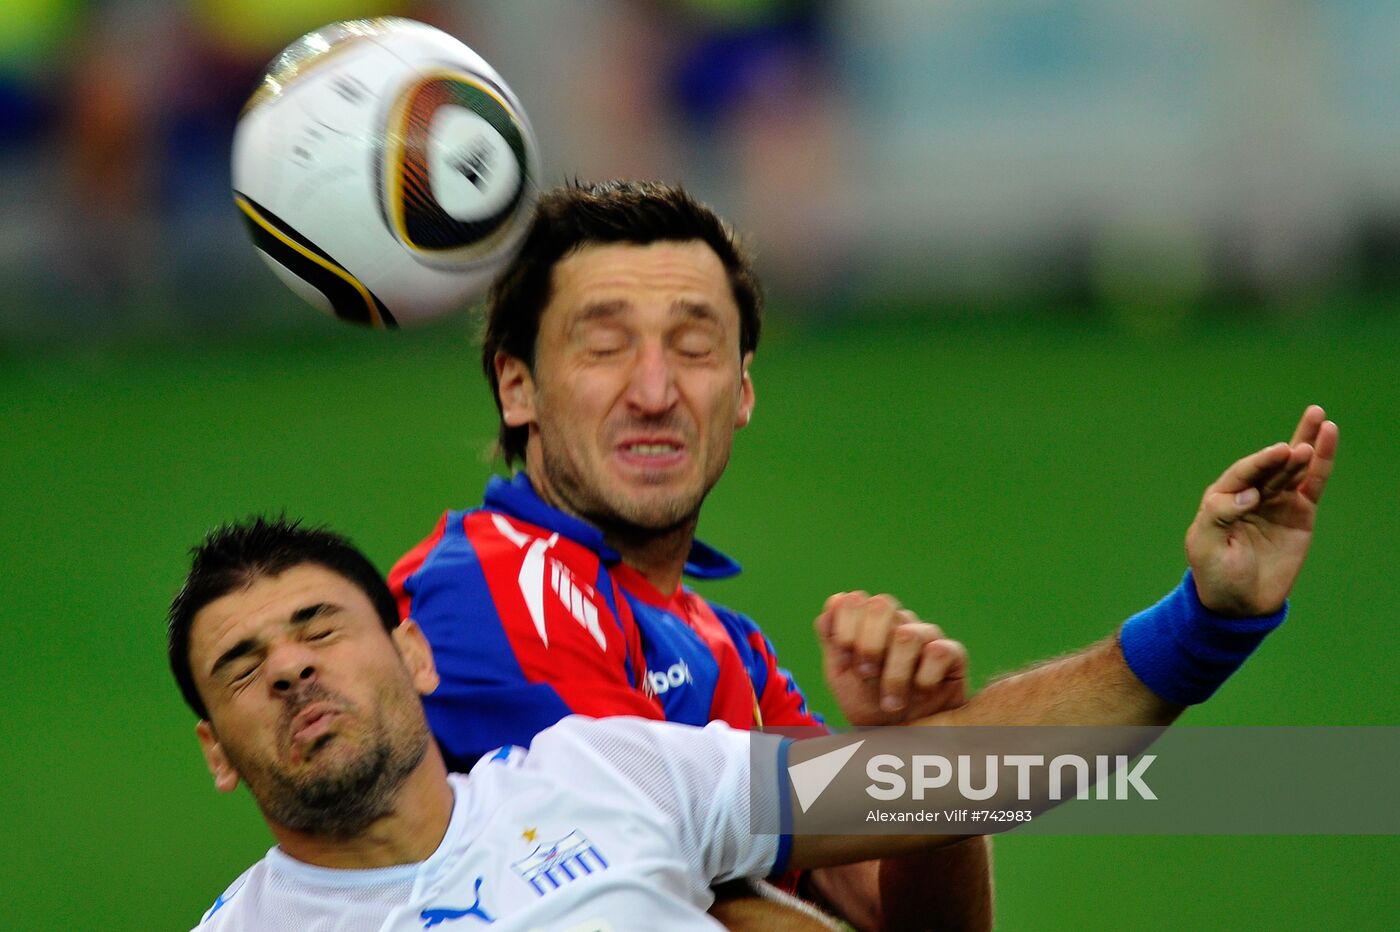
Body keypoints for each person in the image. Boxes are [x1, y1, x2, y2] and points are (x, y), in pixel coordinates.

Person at [170, 411, 1336, 927]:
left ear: (412, 651)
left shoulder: (600, 771)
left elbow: (936, 781)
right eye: (241, 664)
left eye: (319, 627)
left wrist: (1203, 626)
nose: (288, 668)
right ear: (217, 750)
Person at [389, 181, 987, 928]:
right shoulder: (489, 587)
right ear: (518, 388)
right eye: (604, 347)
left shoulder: (729, 645)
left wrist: (923, 751)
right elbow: (652, 880)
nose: (654, 389)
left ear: (740, 392)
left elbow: (902, 917)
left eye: (695, 348)